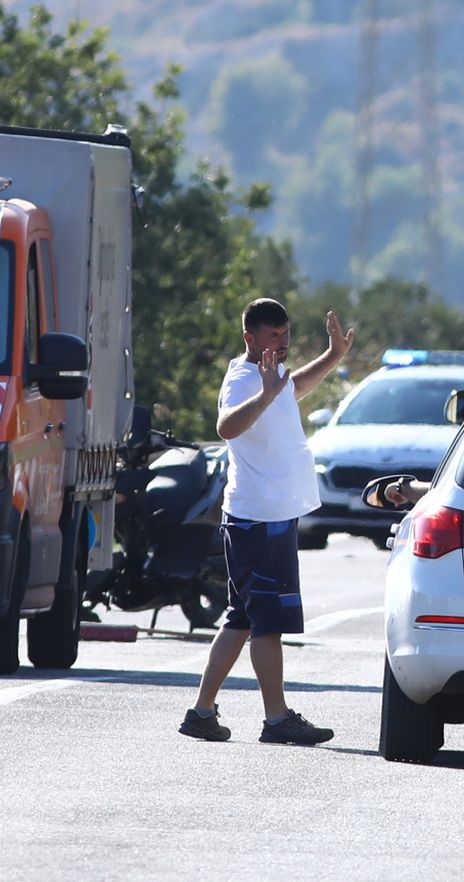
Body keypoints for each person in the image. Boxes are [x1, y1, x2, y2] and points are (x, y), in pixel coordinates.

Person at [179, 298, 354, 744]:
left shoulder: (273, 377)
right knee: (267, 622)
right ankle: (277, 719)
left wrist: (333, 356)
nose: (282, 342)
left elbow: (295, 388)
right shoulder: (245, 379)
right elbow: (225, 427)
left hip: (267, 517)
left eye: (286, 333)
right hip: (258, 520)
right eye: (273, 335)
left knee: (242, 617)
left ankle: (201, 713)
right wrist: (266, 393)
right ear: (249, 338)